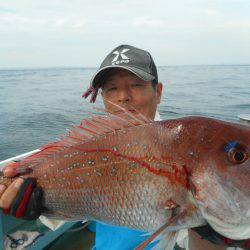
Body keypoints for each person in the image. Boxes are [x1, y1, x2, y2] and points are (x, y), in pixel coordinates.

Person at [0, 45, 247, 250]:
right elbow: (69, 213)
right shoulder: (89, 148)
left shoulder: (183, 148)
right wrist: (34, 204)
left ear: (158, 92)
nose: (123, 97)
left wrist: (213, 234)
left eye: (136, 85)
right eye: (111, 88)